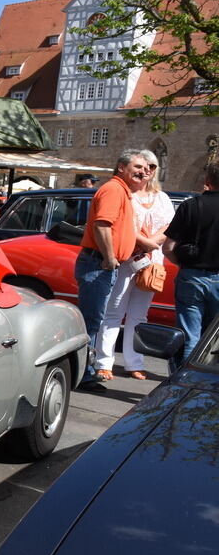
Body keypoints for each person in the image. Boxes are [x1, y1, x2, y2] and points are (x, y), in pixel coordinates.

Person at [75, 149, 152, 391]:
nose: (143, 172)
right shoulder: (114, 190)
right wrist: (109, 257)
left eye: (146, 169)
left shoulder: (122, 191)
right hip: (99, 263)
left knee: (95, 320)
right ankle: (84, 374)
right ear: (121, 167)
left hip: (103, 264)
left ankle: (85, 371)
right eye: (138, 167)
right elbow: (102, 225)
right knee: (91, 322)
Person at [95, 150, 175, 380]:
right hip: (126, 259)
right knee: (113, 311)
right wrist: (143, 242)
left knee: (139, 315)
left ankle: (134, 363)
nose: (146, 170)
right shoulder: (126, 194)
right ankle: (104, 362)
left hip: (151, 261)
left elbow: (170, 224)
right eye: (142, 165)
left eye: (151, 166)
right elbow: (122, 226)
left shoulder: (162, 197)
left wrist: (153, 242)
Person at [164, 162, 219, 368]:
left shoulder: (190, 206)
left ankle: (183, 379)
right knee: (214, 340)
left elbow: (168, 247)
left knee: (190, 338)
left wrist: (182, 264)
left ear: (207, 180)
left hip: (192, 276)